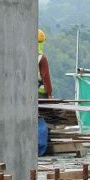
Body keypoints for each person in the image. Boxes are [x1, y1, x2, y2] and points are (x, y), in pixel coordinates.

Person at [37, 28, 52, 156]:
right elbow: (45, 77)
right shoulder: (42, 58)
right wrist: (49, 93)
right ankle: (40, 149)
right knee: (41, 119)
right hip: (40, 94)